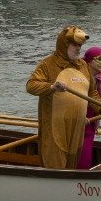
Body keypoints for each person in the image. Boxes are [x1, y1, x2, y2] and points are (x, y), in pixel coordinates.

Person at [24, 25, 91, 169]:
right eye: (74, 45)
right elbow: (31, 85)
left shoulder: (83, 66)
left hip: (76, 127)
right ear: (64, 45)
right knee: (55, 165)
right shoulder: (47, 64)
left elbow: (93, 93)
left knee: (72, 165)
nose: (78, 48)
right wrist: (51, 87)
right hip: (55, 126)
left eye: (79, 45)